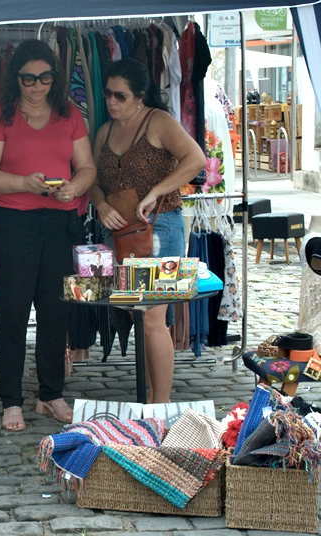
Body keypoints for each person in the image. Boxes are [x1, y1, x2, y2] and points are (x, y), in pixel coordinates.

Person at [0, 39, 96, 431]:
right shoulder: (0, 115)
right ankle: (11, 399)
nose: (37, 86)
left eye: (44, 78)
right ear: (16, 78)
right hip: (15, 223)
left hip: (60, 223)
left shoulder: (69, 114)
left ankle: (50, 394)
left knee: (55, 310)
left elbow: (87, 168)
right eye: (29, 78)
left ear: (54, 79)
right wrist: (24, 183)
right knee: (11, 311)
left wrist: (74, 188)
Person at [88, 58, 206, 404]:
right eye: (108, 93)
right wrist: (101, 205)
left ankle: (160, 401)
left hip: (160, 226)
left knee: (152, 315)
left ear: (139, 96)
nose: (111, 101)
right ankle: (154, 395)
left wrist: (157, 191)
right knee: (137, 313)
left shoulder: (158, 121)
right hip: (119, 233)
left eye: (120, 96)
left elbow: (196, 159)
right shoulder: (105, 131)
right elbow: (92, 180)